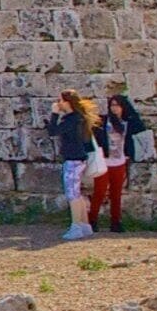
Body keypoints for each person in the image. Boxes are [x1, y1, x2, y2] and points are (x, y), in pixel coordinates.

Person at [91, 94, 145, 234]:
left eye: (117, 105)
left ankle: (116, 222)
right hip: (104, 161)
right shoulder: (103, 121)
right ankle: (92, 221)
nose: (114, 108)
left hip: (119, 161)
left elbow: (140, 128)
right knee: (100, 192)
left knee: (116, 193)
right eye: (112, 105)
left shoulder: (127, 122)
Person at [50, 91, 101, 240]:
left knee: (72, 194)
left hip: (73, 160)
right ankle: (85, 226)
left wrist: (54, 114)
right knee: (77, 193)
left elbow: (53, 131)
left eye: (60, 101)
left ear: (67, 102)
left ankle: (76, 226)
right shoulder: (79, 118)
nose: (58, 103)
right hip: (79, 159)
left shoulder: (70, 120)